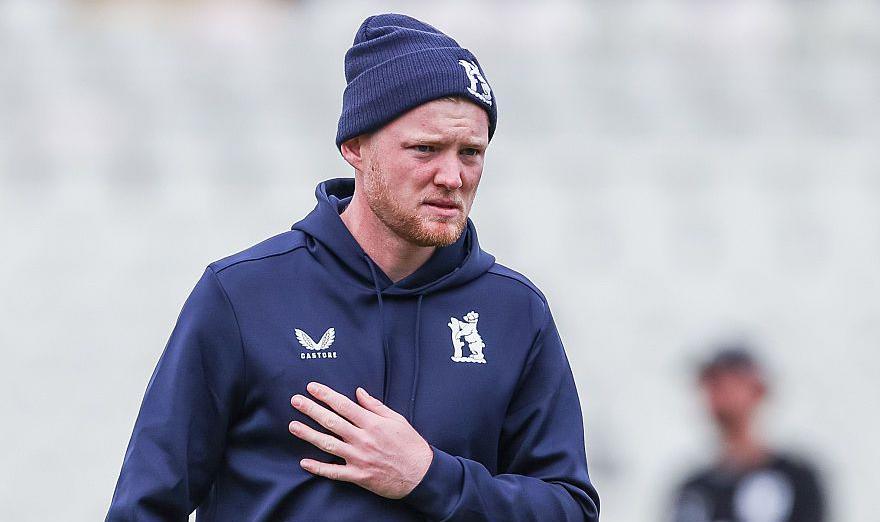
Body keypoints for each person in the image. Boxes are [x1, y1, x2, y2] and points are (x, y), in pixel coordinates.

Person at [106, 13, 599, 522]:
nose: (452, 176)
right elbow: (145, 508)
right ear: (356, 148)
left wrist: (431, 478)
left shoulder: (515, 312)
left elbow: (570, 510)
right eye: (425, 149)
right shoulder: (243, 294)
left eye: (470, 152)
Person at [671, 346, 826, 522]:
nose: (717, 393)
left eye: (726, 381)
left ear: (758, 390)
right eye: (710, 383)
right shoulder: (693, 491)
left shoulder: (796, 479)